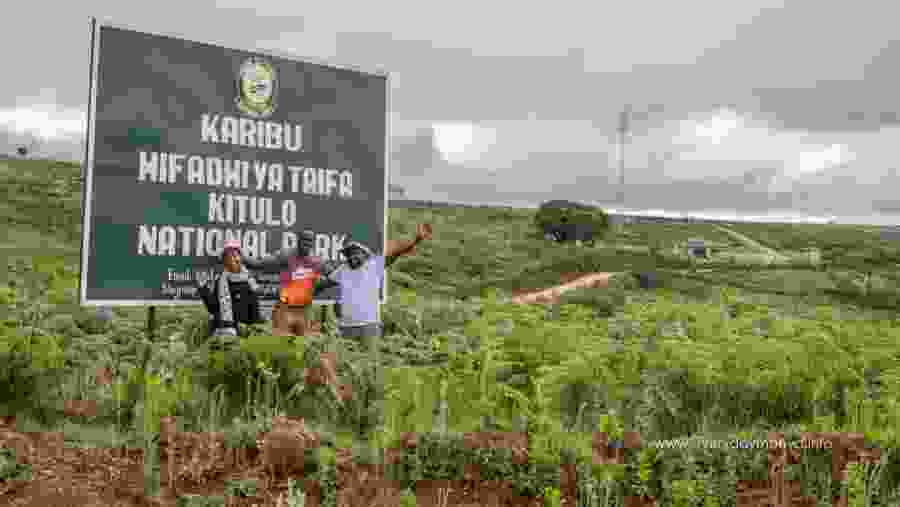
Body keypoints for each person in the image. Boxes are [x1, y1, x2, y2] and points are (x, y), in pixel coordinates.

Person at [321, 223, 433, 347]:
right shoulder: (342, 270)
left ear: (364, 253)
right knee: (349, 361)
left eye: (356, 252)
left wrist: (416, 239)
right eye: (349, 253)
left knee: (369, 361)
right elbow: (323, 284)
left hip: (369, 326)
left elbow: (397, 251)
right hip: (346, 327)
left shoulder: (374, 265)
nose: (352, 256)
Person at [241, 230, 325, 336]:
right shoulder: (286, 256)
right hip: (285, 309)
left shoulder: (317, 262)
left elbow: (332, 278)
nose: (307, 243)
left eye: (310, 240)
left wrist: (317, 287)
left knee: (305, 346)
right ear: (298, 240)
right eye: (304, 239)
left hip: (305, 311)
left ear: (313, 243)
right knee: (281, 343)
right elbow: (257, 264)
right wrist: (240, 257)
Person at [196, 240, 265, 337]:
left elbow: (254, 313)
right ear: (225, 261)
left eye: (237, 255)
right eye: (231, 256)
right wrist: (203, 289)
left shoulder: (249, 281)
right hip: (222, 330)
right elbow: (214, 308)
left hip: (243, 334)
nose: (236, 259)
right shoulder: (220, 281)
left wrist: (254, 329)